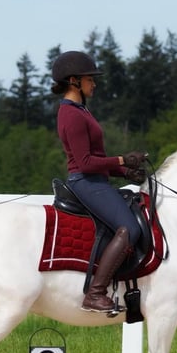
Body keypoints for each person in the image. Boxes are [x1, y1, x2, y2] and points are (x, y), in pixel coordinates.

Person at [51, 50, 147, 313]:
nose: (94, 83)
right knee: (128, 229)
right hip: (86, 182)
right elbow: (84, 163)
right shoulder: (71, 114)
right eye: (89, 79)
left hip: (97, 180)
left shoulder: (81, 110)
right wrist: (122, 160)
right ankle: (95, 293)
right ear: (74, 81)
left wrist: (126, 172)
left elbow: (98, 159)